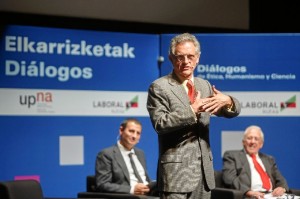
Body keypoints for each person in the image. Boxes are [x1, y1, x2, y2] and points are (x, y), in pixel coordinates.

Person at [146, 33, 241, 199]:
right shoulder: (159, 87)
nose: (186, 61)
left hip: (204, 174)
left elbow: (228, 111)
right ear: (171, 58)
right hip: (176, 176)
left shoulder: (204, 85)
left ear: (197, 58)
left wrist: (228, 101)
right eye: (180, 57)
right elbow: (160, 124)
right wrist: (192, 110)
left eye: (190, 56)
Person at [95, 118, 158, 197]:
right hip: (128, 196)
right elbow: (102, 184)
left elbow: (144, 178)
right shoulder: (106, 154)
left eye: (138, 133)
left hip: (149, 194)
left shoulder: (140, 153)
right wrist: (132, 189)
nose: (134, 136)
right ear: (121, 130)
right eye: (131, 131)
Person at [222, 125, 289, 199]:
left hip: (271, 196)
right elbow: (229, 178)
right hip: (250, 196)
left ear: (261, 144)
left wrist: (281, 188)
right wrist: (248, 192)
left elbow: (281, 180)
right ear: (243, 142)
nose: (252, 141)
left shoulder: (269, 159)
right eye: (249, 138)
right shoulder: (232, 156)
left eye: (256, 139)